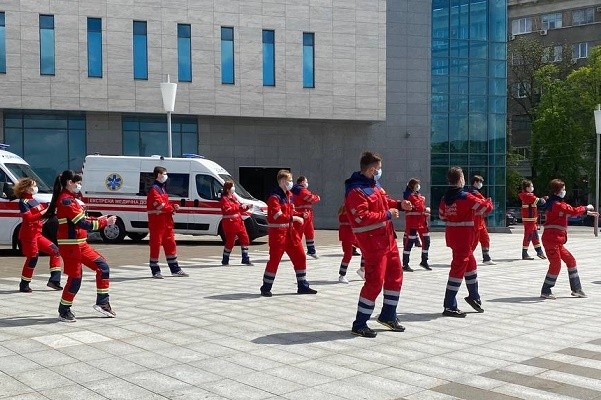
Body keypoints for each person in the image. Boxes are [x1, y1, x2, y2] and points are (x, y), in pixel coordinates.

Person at [344, 151, 412, 338]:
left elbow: (384, 201)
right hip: (373, 243)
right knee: (374, 282)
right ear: (372, 169)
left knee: (395, 277)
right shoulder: (355, 191)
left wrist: (399, 205)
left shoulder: (374, 185)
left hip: (387, 240)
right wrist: (388, 214)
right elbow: (361, 218)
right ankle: (360, 323)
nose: (381, 171)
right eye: (379, 168)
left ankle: (388, 315)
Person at [46, 170, 116, 322]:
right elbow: (82, 223)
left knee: (103, 267)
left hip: (80, 244)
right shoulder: (66, 200)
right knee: (75, 278)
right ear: (69, 183)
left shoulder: (71, 199)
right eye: (77, 182)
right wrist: (105, 222)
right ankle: (64, 309)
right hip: (71, 246)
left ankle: (103, 302)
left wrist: (98, 218)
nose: (79, 185)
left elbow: (81, 219)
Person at [439, 167, 493, 317]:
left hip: (453, 237)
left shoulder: (445, 198)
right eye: (463, 176)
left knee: (471, 265)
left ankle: (474, 296)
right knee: (457, 270)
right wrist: (488, 201)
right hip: (464, 238)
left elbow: (442, 216)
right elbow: (485, 208)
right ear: (460, 179)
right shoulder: (466, 197)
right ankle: (449, 305)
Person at [260, 170, 317, 297]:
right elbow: (277, 216)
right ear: (282, 181)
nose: (291, 183)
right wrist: (295, 218)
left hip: (291, 233)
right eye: (289, 180)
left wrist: (301, 214)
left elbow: (291, 212)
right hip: (278, 235)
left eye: (291, 180)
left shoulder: (289, 195)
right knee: (274, 261)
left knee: (300, 257)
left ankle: (302, 286)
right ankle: (266, 287)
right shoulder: (274, 197)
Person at [540, 179, 597, 299]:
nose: (564, 191)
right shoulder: (557, 204)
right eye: (563, 189)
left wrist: (587, 213)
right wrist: (586, 208)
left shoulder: (555, 203)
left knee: (571, 261)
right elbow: (572, 210)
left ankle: (576, 289)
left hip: (557, 241)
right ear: (557, 191)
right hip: (552, 240)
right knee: (556, 264)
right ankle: (546, 290)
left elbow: (568, 213)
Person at [14, 178, 62, 292]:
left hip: (37, 234)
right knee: (32, 258)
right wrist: (44, 212)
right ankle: (24, 284)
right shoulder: (23, 202)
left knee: (55, 251)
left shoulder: (34, 200)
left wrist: (51, 211)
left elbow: (41, 216)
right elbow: (28, 218)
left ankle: (54, 281)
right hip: (28, 235)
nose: (35, 187)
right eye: (33, 185)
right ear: (26, 188)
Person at [147, 166, 188, 279]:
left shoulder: (161, 188)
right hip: (157, 223)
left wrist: (171, 207)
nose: (166, 176)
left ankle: (175, 269)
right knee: (155, 245)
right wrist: (172, 208)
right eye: (164, 174)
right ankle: (155, 270)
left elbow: (164, 205)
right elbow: (160, 205)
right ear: (159, 175)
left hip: (166, 222)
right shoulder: (154, 189)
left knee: (170, 244)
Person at [219, 180, 253, 266]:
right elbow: (228, 210)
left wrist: (246, 207)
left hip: (239, 222)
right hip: (230, 224)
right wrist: (239, 206)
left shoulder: (233, 197)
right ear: (228, 189)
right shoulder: (224, 199)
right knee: (230, 242)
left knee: (245, 239)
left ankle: (245, 258)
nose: (233, 188)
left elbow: (239, 208)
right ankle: (225, 259)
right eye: (232, 186)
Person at [401, 178, 431, 271]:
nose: (418, 186)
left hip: (422, 223)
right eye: (416, 185)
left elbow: (420, 208)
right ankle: (405, 264)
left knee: (427, 241)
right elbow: (419, 207)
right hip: (413, 224)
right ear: (412, 186)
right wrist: (425, 209)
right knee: (409, 243)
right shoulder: (410, 196)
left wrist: (425, 212)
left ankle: (424, 261)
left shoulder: (419, 196)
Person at [291, 175, 321, 258]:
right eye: (306, 181)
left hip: (306, 215)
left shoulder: (296, 190)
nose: (307, 183)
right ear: (302, 182)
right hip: (303, 215)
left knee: (309, 233)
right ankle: (297, 252)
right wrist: (317, 197)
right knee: (300, 234)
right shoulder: (301, 190)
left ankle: (311, 251)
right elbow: (311, 198)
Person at [469, 175, 496, 265]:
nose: (481, 184)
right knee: (474, 241)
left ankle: (486, 257)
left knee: (485, 238)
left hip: (480, 220)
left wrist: (487, 203)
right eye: (480, 182)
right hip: (475, 221)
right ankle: (467, 257)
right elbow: (485, 207)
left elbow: (484, 206)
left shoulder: (474, 192)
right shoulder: (474, 193)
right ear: (475, 182)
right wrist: (488, 202)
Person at [518, 179, 547, 260]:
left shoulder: (526, 195)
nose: (533, 188)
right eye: (531, 186)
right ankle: (524, 253)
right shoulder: (528, 196)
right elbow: (540, 202)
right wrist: (545, 198)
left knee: (534, 236)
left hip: (531, 219)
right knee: (528, 235)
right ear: (527, 188)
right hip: (529, 219)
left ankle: (539, 252)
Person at [337, 203, 364, 283]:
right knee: (348, 255)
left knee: (364, 250)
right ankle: (342, 275)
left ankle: (362, 269)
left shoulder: (344, 212)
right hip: (348, 236)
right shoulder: (348, 214)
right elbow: (359, 220)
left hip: (351, 235)